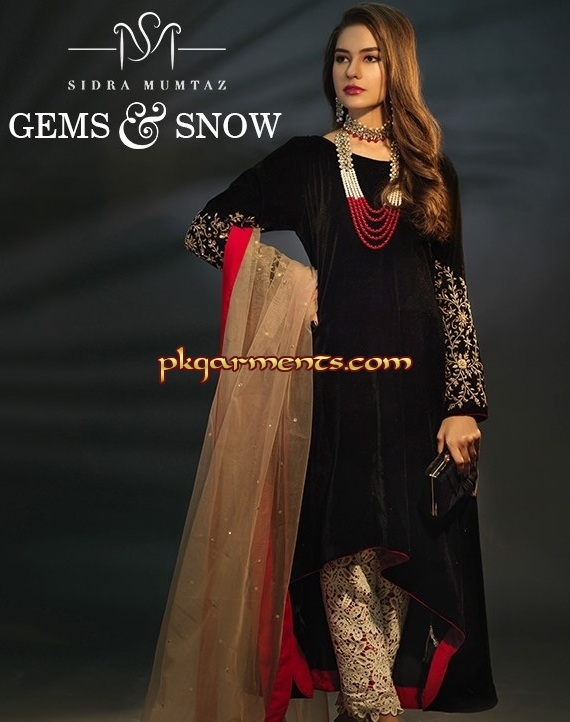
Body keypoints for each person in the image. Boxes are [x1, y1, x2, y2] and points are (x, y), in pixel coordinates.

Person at [141, 4, 498, 722]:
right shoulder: (306, 162)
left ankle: (362, 711)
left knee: (407, 556)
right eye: (341, 58)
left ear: (397, 68)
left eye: (369, 57)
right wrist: (291, 283)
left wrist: (464, 404)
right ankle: (372, 711)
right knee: (344, 549)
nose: (352, 71)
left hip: (419, 395)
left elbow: (453, 293)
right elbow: (209, 230)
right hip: (338, 390)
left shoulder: (432, 173)